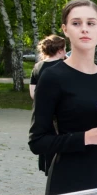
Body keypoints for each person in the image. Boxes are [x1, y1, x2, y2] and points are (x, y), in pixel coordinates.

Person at [29, 0, 97, 195]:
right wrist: (86, 138)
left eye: (91, 23)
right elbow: (37, 142)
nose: (84, 29)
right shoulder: (52, 77)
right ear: (65, 29)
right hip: (68, 182)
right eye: (76, 23)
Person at [29, 34, 66, 176]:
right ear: (61, 50)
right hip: (61, 115)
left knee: (47, 142)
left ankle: (49, 172)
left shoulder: (37, 67)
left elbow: (33, 93)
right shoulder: (63, 66)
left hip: (43, 114)